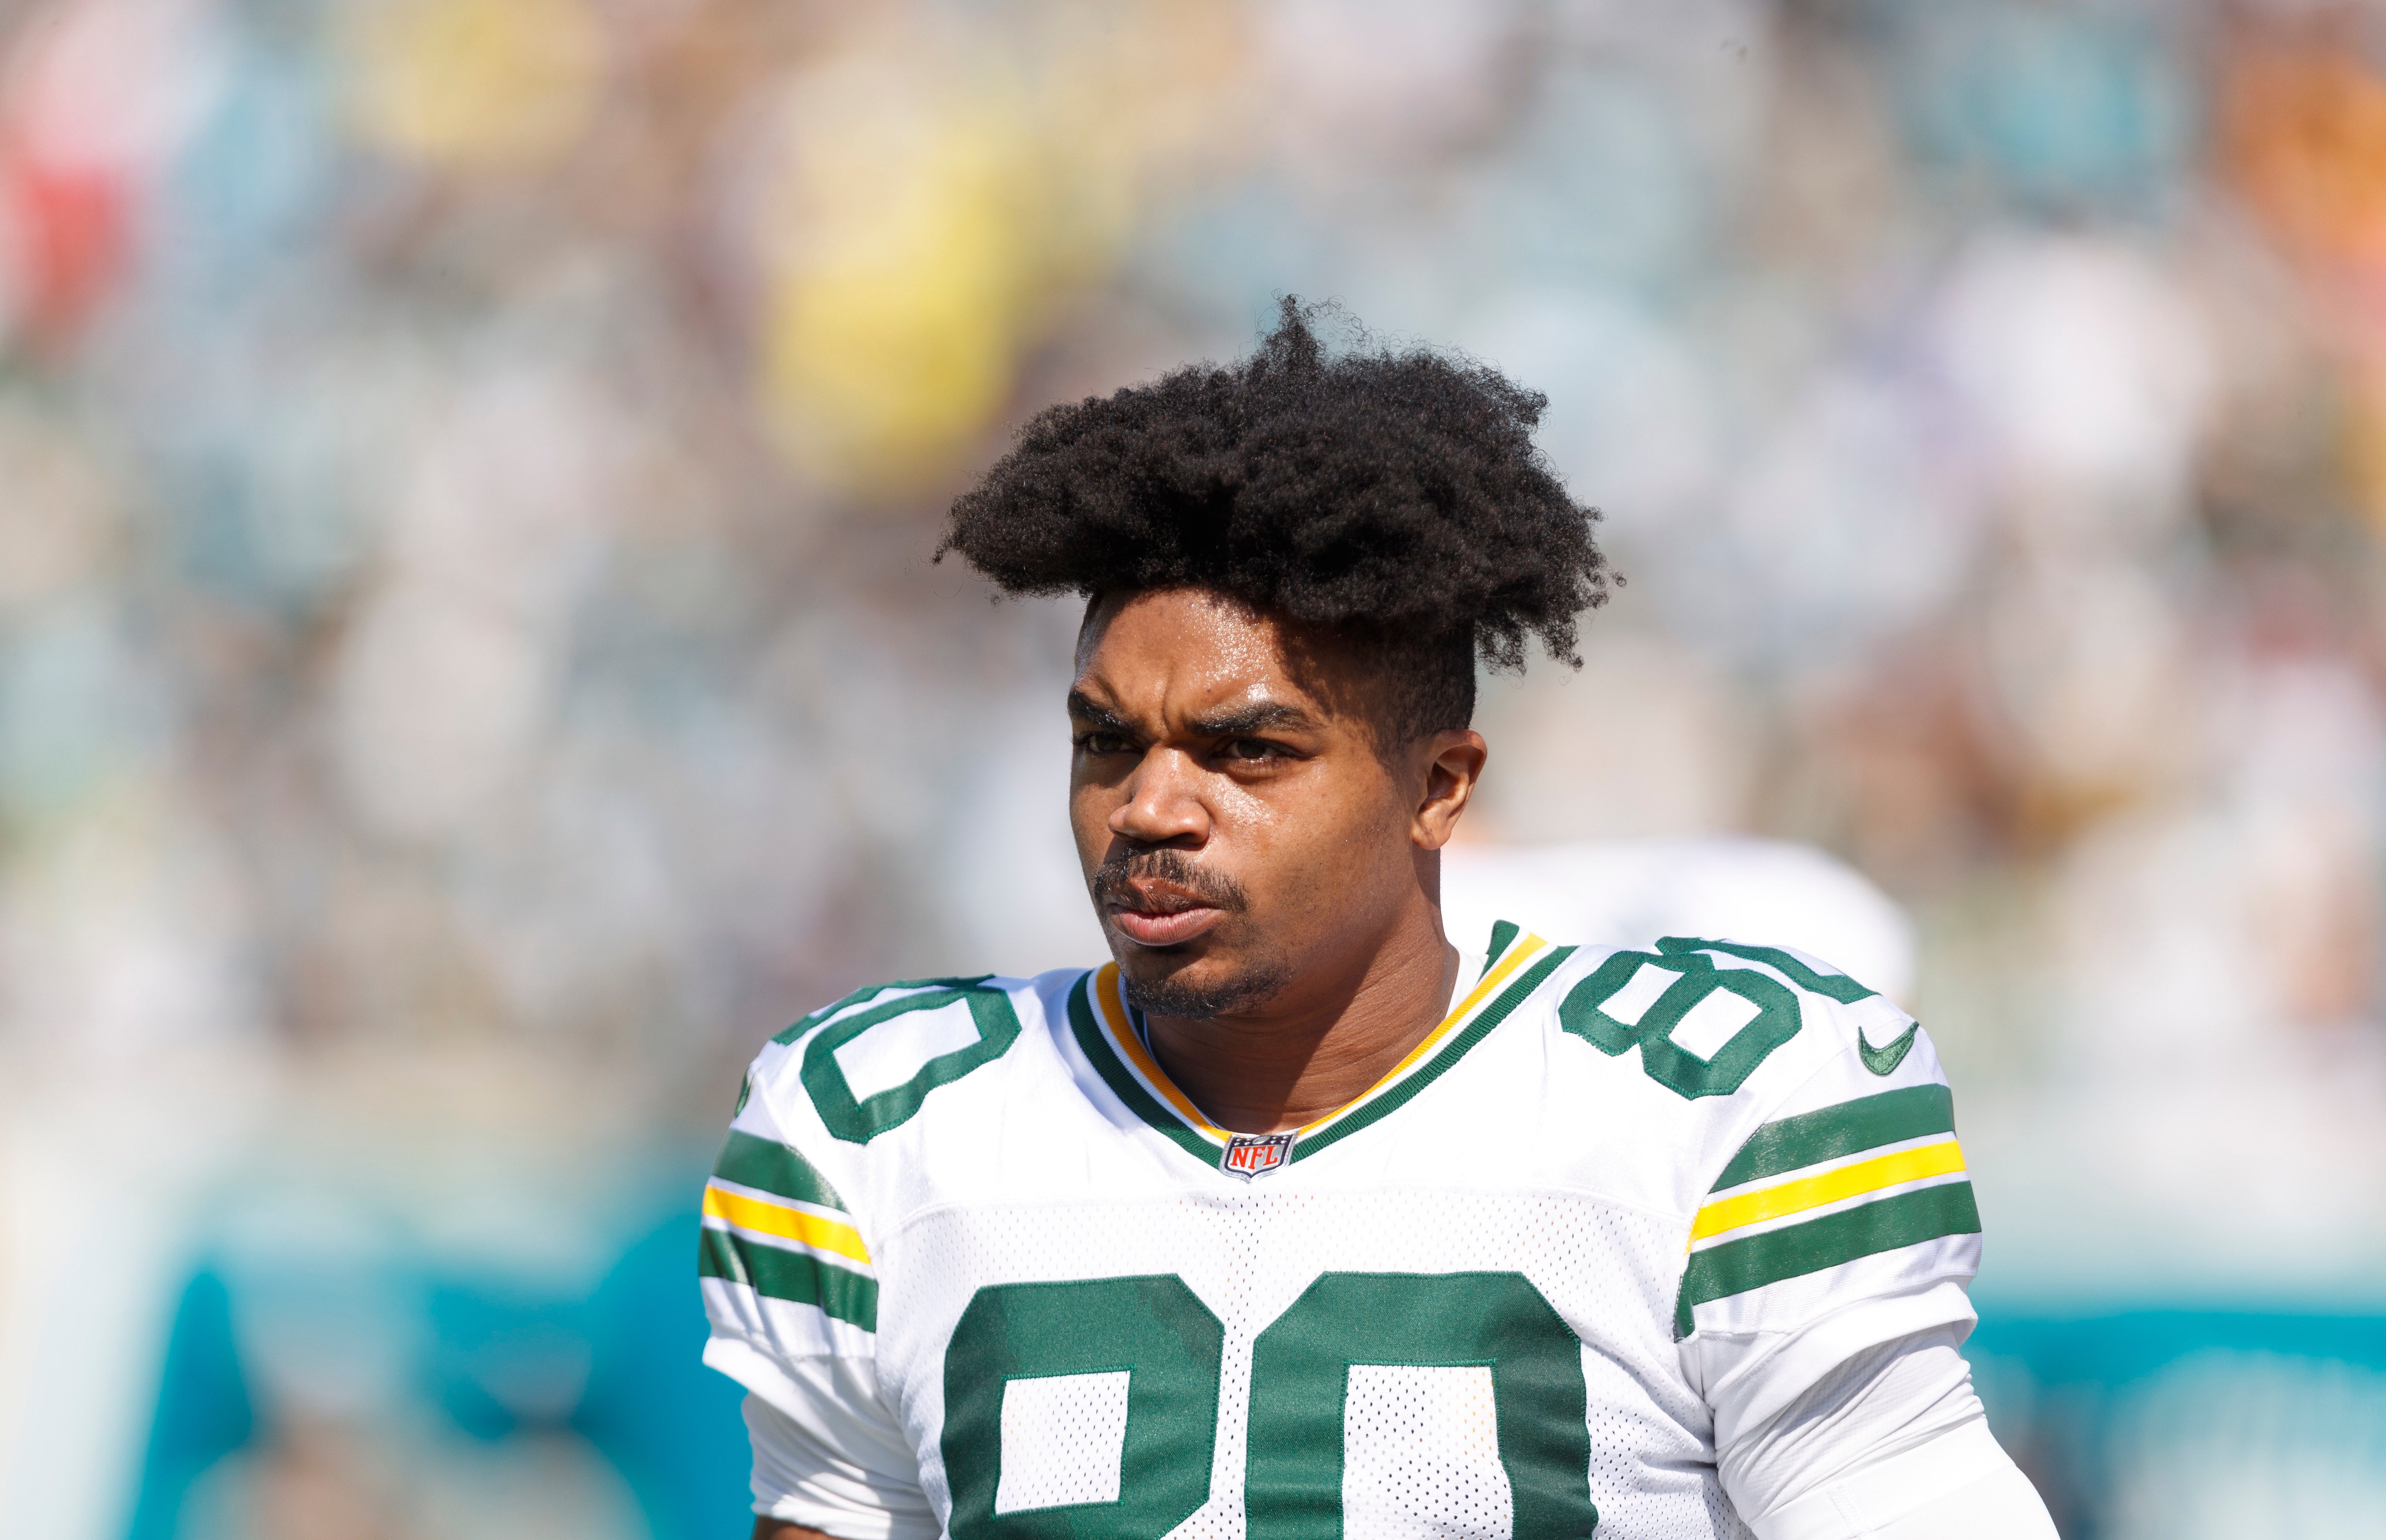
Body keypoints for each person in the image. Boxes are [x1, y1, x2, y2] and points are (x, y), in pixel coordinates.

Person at [698, 302, 2058, 1540]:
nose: (1152, 808)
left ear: (1438, 786)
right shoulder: (879, 1120)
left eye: (1247, 752)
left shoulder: (1716, 1101)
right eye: (1107, 743)